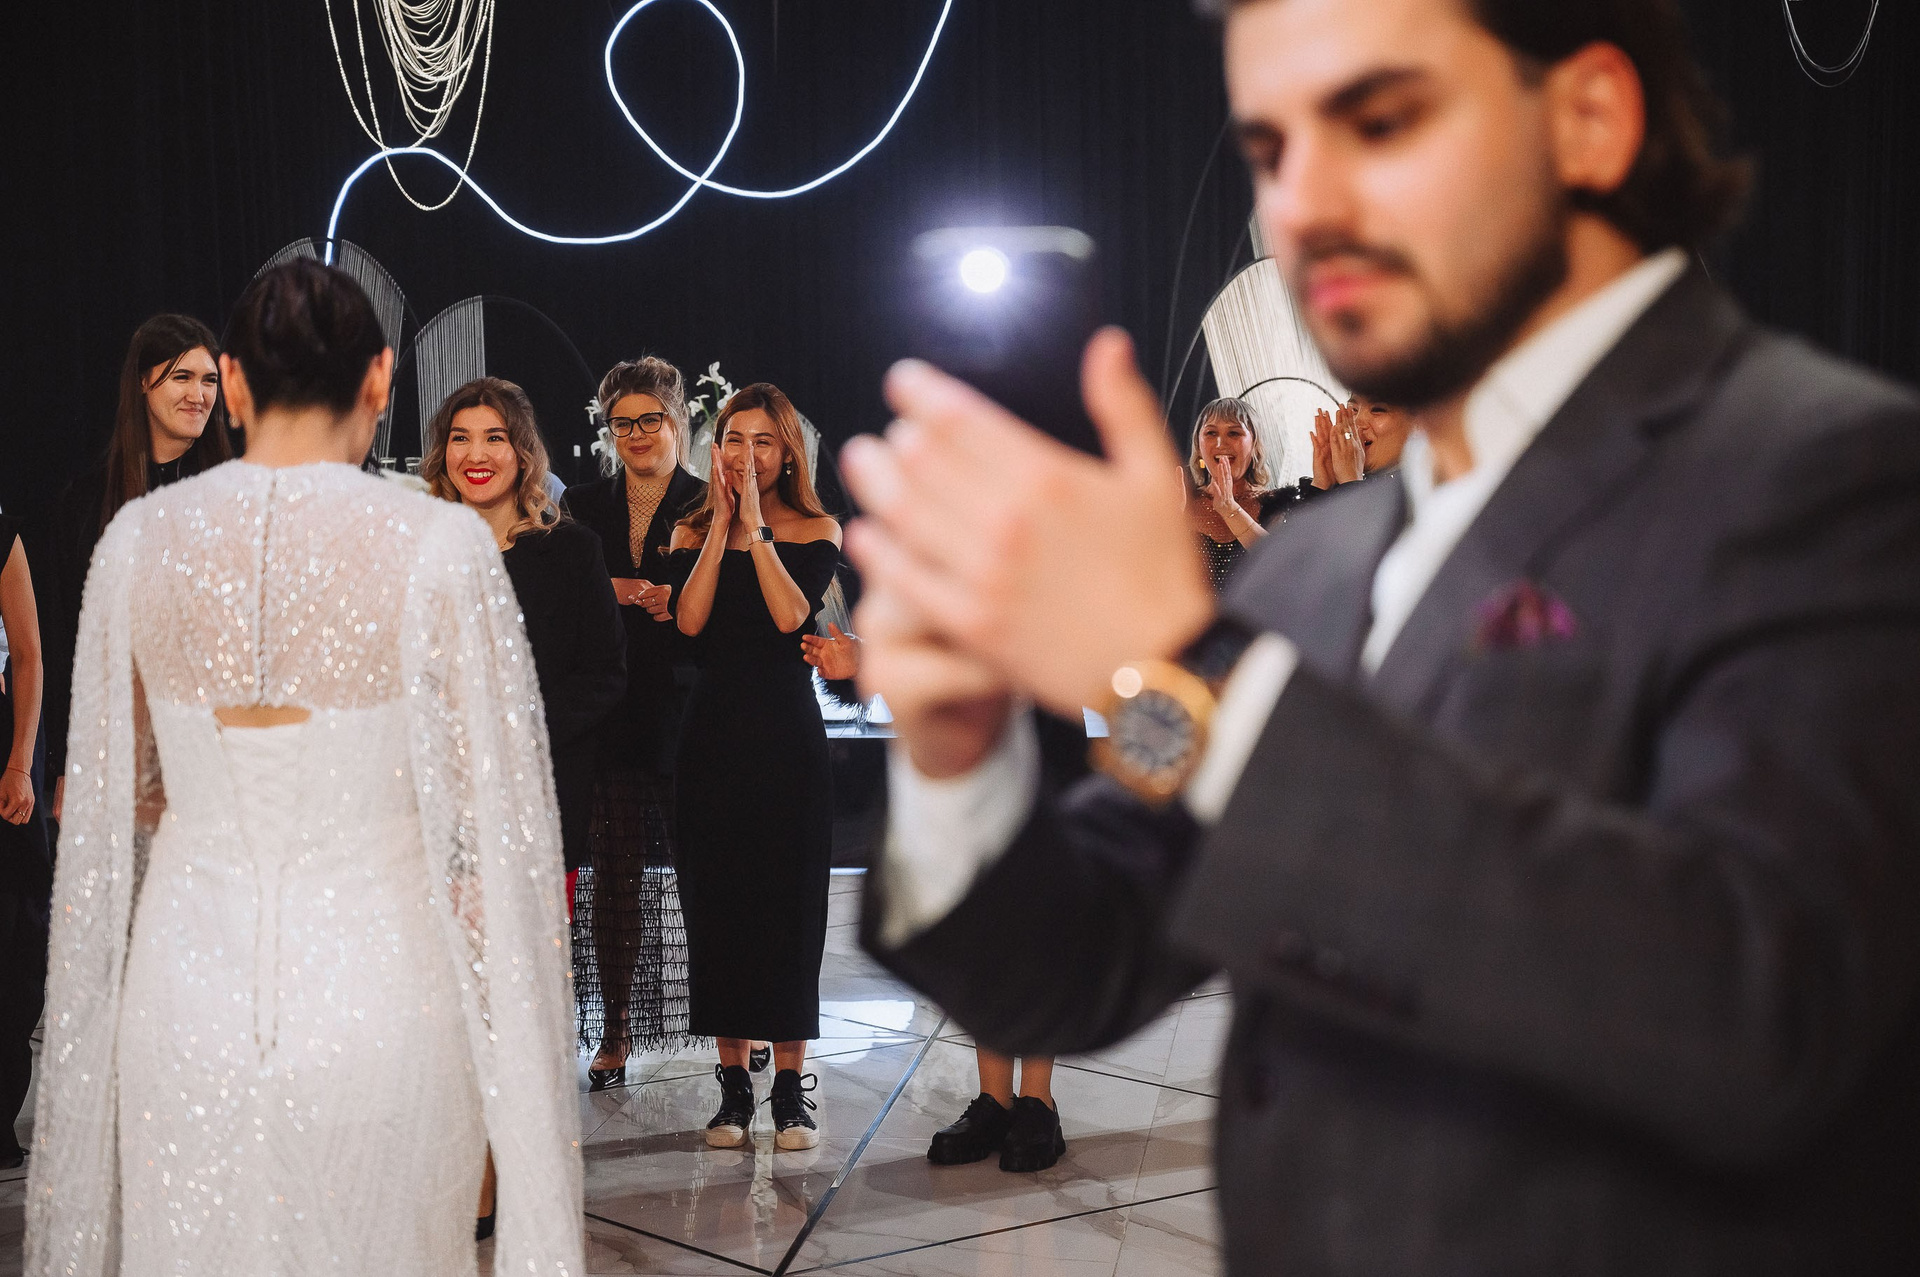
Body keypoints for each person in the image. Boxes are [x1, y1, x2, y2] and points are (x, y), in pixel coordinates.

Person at [839, 0, 1920, 1273]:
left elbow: (1756, 1013)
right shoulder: (1315, 558)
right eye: (1270, 149)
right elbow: (1071, 964)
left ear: (1589, 117)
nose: (1303, 204)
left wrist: (1181, 670)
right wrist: (960, 749)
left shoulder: (1835, 474)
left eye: (1380, 121)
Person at [25, 259, 583, 1275]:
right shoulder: (439, 544)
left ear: (234, 384)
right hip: (381, 983)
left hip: (184, 987)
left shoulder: (139, 539)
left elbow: (125, 799)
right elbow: (489, 809)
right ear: (379, 379)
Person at [420, 375, 624, 1240]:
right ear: (441, 452)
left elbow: (605, 676)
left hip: (534, 809)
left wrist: (513, 730)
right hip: (431, 805)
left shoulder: (568, 551)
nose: (476, 454)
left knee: (516, 995)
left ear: (522, 451)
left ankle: (508, 1168)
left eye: (494, 437)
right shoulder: (419, 548)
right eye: (461, 437)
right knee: (446, 996)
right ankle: (459, 1161)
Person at [665, 383, 842, 1152]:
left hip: (786, 736)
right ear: (717, 450)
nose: (747, 454)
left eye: (763, 441)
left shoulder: (818, 528)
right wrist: (720, 528)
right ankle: (733, 1084)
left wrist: (758, 529)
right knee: (719, 903)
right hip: (710, 736)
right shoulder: (688, 528)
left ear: (787, 452)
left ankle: (790, 1087)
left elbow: (789, 615)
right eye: (734, 439)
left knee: (790, 904)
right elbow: (690, 621)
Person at [564, 357, 706, 1089]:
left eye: (650, 419)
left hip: (690, 711)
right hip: (613, 715)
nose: (637, 434)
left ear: (677, 421)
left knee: (705, 874)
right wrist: (609, 588)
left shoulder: (711, 501)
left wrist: (677, 599)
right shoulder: (583, 504)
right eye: (622, 423)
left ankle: (736, 1030)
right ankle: (614, 1030)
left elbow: (732, 605)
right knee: (614, 885)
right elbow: (563, 603)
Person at [33, 315, 233, 826]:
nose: (199, 395)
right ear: (144, 382)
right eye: (182, 377)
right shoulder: (84, 505)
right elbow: (63, 640)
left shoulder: (236, 499)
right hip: (114, 752)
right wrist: (64, 762)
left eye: (209, 380)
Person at [0, 514, 49, 1171]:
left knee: (14, 934)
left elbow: (30, 654)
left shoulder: (4, 533)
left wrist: (20, 762)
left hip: (2, 755)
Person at [1186, 397, 1286, 590]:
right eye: (1211, 433)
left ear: (1254, 444)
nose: (1220, 443)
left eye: (1234, 433)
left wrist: (1230, 510)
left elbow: (1286, 568)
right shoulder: (1182, 504)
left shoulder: (1278, 504)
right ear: (1198, 447)